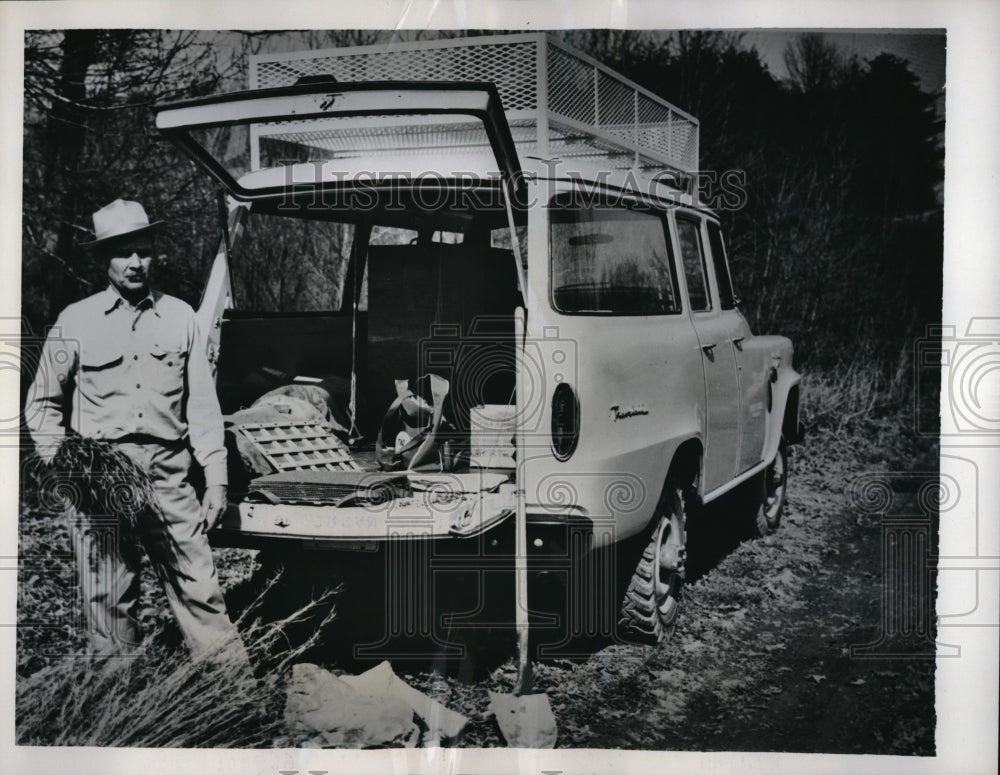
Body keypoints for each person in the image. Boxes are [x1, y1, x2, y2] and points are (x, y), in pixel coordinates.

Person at [25, 198, 248, 666]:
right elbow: (42, 404)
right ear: (103, 259)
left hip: (169, 473)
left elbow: (203, 409)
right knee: (108, 595)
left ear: (154, 254)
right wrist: (65, 466)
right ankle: (121, 704)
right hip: (100, 476)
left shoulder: (181, 317)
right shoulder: (75, 320)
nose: (135, 263)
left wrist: (217, 479)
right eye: (123, 253)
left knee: (200, 587)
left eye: (143, 251)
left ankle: (237, 702)